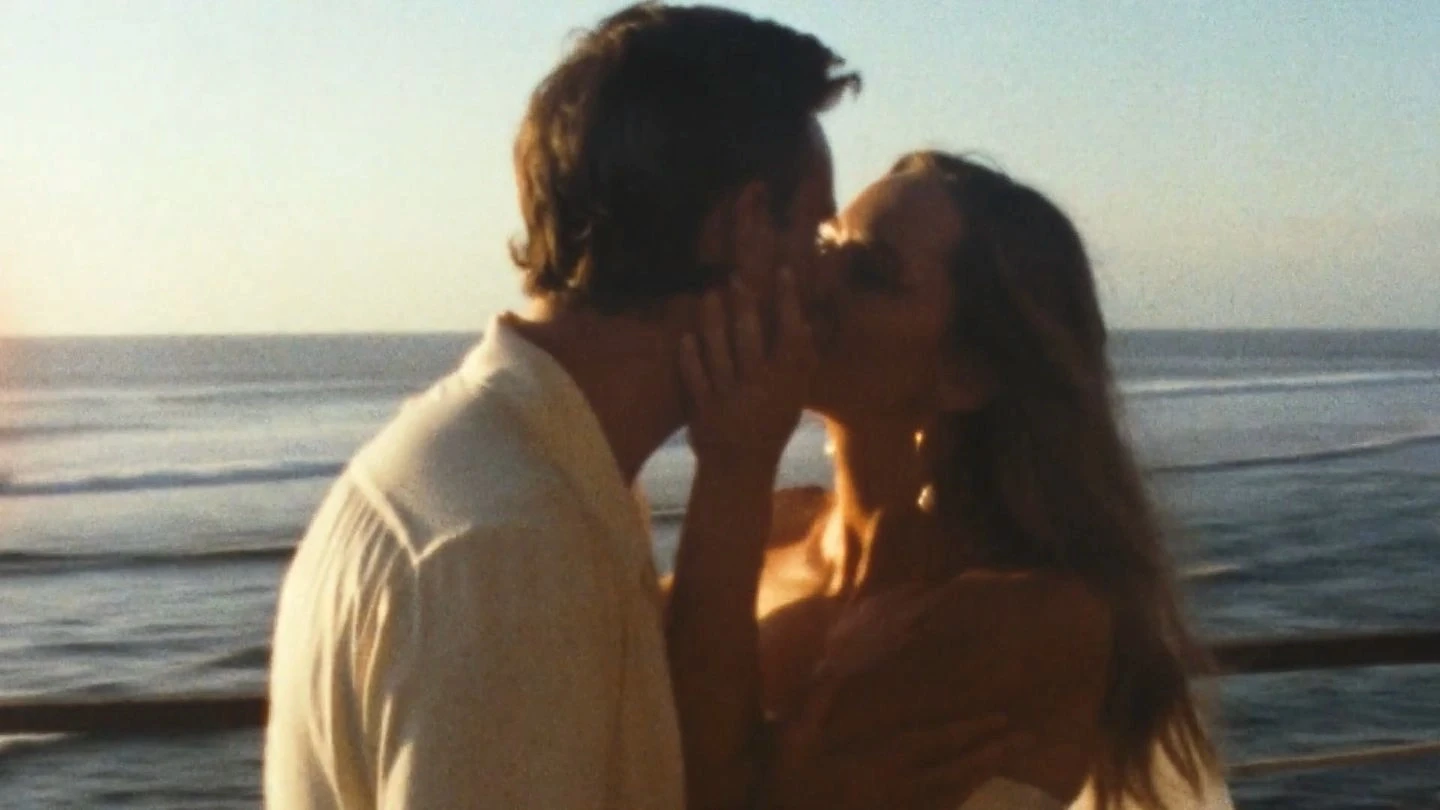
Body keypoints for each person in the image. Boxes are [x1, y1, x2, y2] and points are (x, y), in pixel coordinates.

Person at [262, 4, 859, 808]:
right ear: (747, 228)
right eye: (816, 235)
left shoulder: (501, 466)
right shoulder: (513, 550)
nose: (830, 284)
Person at [739, 152, 1233, 809]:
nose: (813, 275)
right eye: (825, 243)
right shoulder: (767, 529)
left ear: (966, 373)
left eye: (871, 273)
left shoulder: (1035, 614)